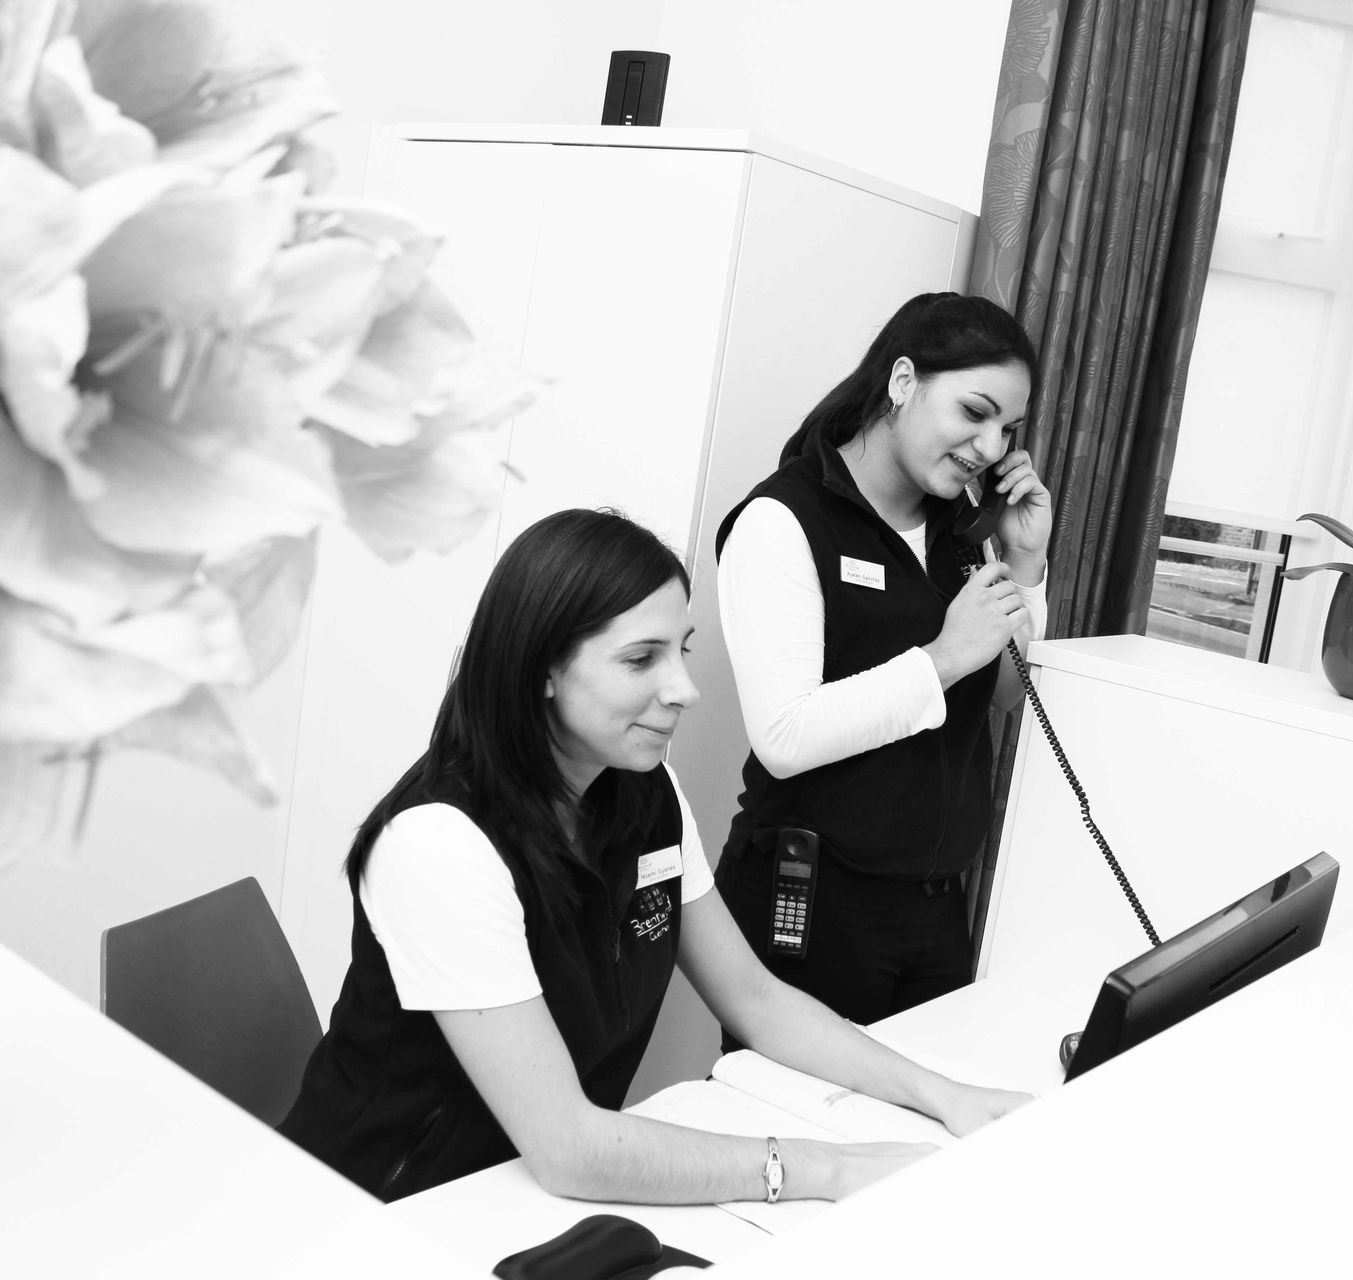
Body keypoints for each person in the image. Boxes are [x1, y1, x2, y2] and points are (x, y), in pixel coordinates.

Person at [278, 508, 1030, 1205]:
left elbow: (757, 1002)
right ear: (541, 668)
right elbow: (569, 1147)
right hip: (390, 1214)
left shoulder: (644, 793)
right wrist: (826, 1169)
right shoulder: (440, 844)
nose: (685, 689)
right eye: (641, 659)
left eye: (682, 651)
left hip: (529, 1203)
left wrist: (941, 1096)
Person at [712, 292, 1051, 1039]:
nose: (992, 448)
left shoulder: (960, 536)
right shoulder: (781, 522)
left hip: (932, 910)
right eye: (975, 412)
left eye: (1008, 429)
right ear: (903, 382)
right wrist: (942, 657)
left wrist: (1025, 567)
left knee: (925, 1145)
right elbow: (785, 734)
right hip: (814, 901)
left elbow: (1008, 696)